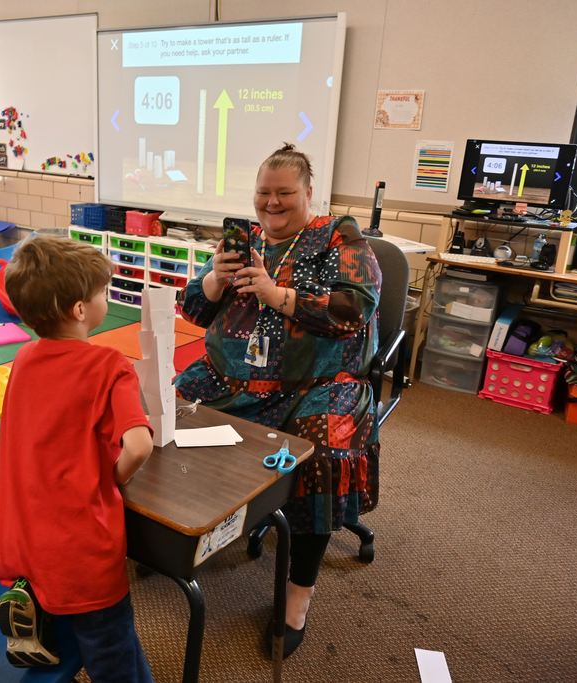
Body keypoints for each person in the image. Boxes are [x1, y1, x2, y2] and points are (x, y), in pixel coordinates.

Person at [175, 143, 382, 657]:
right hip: (231, 379)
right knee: (166, 413)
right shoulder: (243, 239)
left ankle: (296, 601)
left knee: (319, 454)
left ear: (309, 192)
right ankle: (182, 534)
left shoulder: (341, 237)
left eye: (284, 193)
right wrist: (216, 278)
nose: (271, 203)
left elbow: (355, 309)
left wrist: (277, 295)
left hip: (319, 385)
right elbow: (195, 310)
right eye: (264, 193)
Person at [0, 236, 155, 682]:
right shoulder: (109, 365)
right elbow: (139, 445)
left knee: (64, 640)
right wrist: (111, 479)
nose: (107, 298)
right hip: (83, 561)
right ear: (81, 310)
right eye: (103, 292)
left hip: (25, 547)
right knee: (113, 653)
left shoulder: (23, 359)